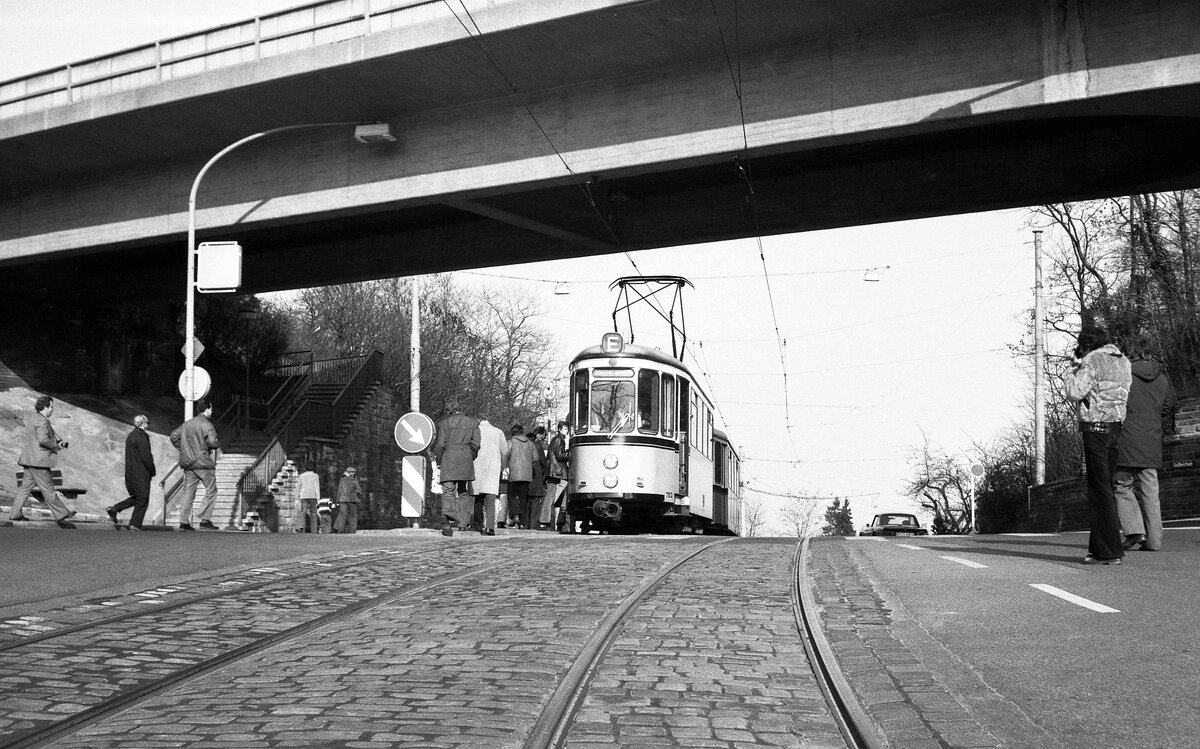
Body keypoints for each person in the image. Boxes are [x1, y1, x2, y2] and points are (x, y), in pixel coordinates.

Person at [1064, 324, 1131, 565]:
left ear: (1086, 344)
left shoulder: (1091, 360)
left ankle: (1110, 551)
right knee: (1106, 487)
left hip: (1095, 428)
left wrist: (1072, 368)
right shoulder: (1123, 361)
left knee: (1099, 490)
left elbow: (1074, 391)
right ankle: (1097, 549)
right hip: (1116, 427)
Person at [1114, 337, 1176, 552]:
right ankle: (1155, 540)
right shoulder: (1162, 378)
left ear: (1130, 353)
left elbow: (1115, 403)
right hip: (1152, 438)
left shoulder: (1124, 374)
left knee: (1122, 485)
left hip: (1127, 437)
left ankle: (1134, 532)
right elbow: (1169, 406)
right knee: (1151, 489)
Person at [8, 395, 77, 529]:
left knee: (24, 488)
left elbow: (43, 437)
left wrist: (58, 441)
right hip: (38, 461)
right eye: (51, 407)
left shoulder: (35, 418)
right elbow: (43, 440)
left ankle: (15, 513)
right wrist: (57, 446)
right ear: (45, 407)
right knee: (48, 488)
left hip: (30, 460)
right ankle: (62, 513)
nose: (52, 410)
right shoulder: (42, 421)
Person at [170, 398, 221, 531]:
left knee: (188, 492)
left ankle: (183, 522)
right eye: (211, 409)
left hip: (188, 464)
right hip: (203, 463)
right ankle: (204, 519)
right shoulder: (207, 425)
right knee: (211, 490)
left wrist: (184, 449)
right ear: (208, 409)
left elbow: (174, 436)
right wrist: (206, 447)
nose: (212, 411)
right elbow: (214, 443)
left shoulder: (187, 424)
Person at [435, 403, 481, 535]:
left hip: (449, 458)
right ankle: (462, 524)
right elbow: (476, 444)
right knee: (463, 491)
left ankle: (447, 520)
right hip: (465, 458)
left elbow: (440, 445)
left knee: (448, 490)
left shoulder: (443, 423)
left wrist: (440, 460)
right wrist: (470, 455)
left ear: (449, 410)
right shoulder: (473, 422)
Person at [106, 413, 155, 530]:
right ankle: (134, 524)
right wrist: (152, 470)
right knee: (143, 499)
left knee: (137, 497)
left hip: (131, 471)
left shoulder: (131, 435)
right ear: (143, 423)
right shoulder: (142, 436)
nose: (148, 424)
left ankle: (114, 509)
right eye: (147, 422)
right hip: (141, 472)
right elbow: (146, 456)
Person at [472, 419, 510, 536]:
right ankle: (490, 527)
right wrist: (503, 465)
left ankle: (478, 525)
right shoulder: (498, 432)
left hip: (476, 465)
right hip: (493, 466)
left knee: (477, 496)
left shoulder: (474, 431)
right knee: (490, 496)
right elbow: (505, 451)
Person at [506, 424, 537, 529]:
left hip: (514, 473)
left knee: (511, 495)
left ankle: (515, 515)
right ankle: (522, 522)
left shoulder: (510, 442)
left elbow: (505, 455)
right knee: (523, 498)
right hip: (526, 475)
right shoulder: (530, 443)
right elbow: (535, 458)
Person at [548, 421, 572, 533]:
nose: (567, 431)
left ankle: (555, 522)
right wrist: (570, 453)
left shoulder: (558, 439)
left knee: (556, 497)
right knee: (556, 497)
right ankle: (553, 522)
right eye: (565, 429)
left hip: (558, 471)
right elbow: (559, 455)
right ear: (560, 429)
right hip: (558, 471)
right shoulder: (558, 440)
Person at [529, 427, 549, 529]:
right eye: (542, 434)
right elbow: (543, 462)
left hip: (527, 475)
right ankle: (534, 524)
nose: (543, 437)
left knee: (528, 500)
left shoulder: (527, 443)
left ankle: (527, 523)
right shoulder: (537, 446)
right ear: (537, 434)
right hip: (537, 475)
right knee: (536, 501)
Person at [333, 466, 361, 534]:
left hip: (342, 499)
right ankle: (352, 531)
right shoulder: (355, 481)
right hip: (352, 500)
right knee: (353, 516)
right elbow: (359, 491)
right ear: (352, 473)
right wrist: (356, 493)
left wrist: (337, 501)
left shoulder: (342, 480)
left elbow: (339, 491)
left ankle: (340, 529)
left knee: (342, 514)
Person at [296, 463, 322, 534]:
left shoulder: (301, 476)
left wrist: (296, 498)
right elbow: (317, 487)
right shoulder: (315, 476)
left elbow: (298, 487)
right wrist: (318, 498)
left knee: (303, 512)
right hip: (312, 496)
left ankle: (301, 527)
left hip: (304, 496)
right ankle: (314, 530)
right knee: (313, 512)